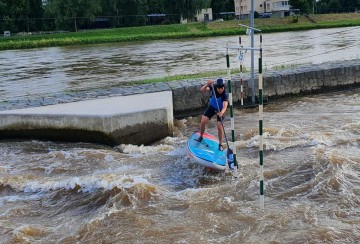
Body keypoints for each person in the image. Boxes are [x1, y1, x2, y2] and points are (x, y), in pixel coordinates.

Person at [195, 78, 229, 151]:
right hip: (212, 107)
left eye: (222, 88)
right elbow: (202, 90)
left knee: (219, 126)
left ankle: (220, 144)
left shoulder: (224, 95)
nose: (220, 90)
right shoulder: (213, 87)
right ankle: (200, 137)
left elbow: (225, 106)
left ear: (224, 87)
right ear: (216, 87)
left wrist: (221, 112)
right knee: (203, 121)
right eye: (219, 88)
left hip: (220, 110)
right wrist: (207, 84)